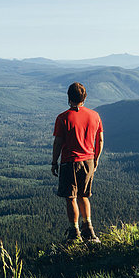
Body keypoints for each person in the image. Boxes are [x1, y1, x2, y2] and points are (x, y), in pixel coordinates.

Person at [51, 82, 103, 243]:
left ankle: (74, 233)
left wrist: (54, 162)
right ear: (84, 97)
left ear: (69, 97)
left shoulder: (63, 118)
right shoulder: (95, 116)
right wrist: (96, 160)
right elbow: (100, 140)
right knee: (84, 195)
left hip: (70, 162)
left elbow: (58, 143)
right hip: (88, 161)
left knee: (71, 197)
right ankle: (89, 230)